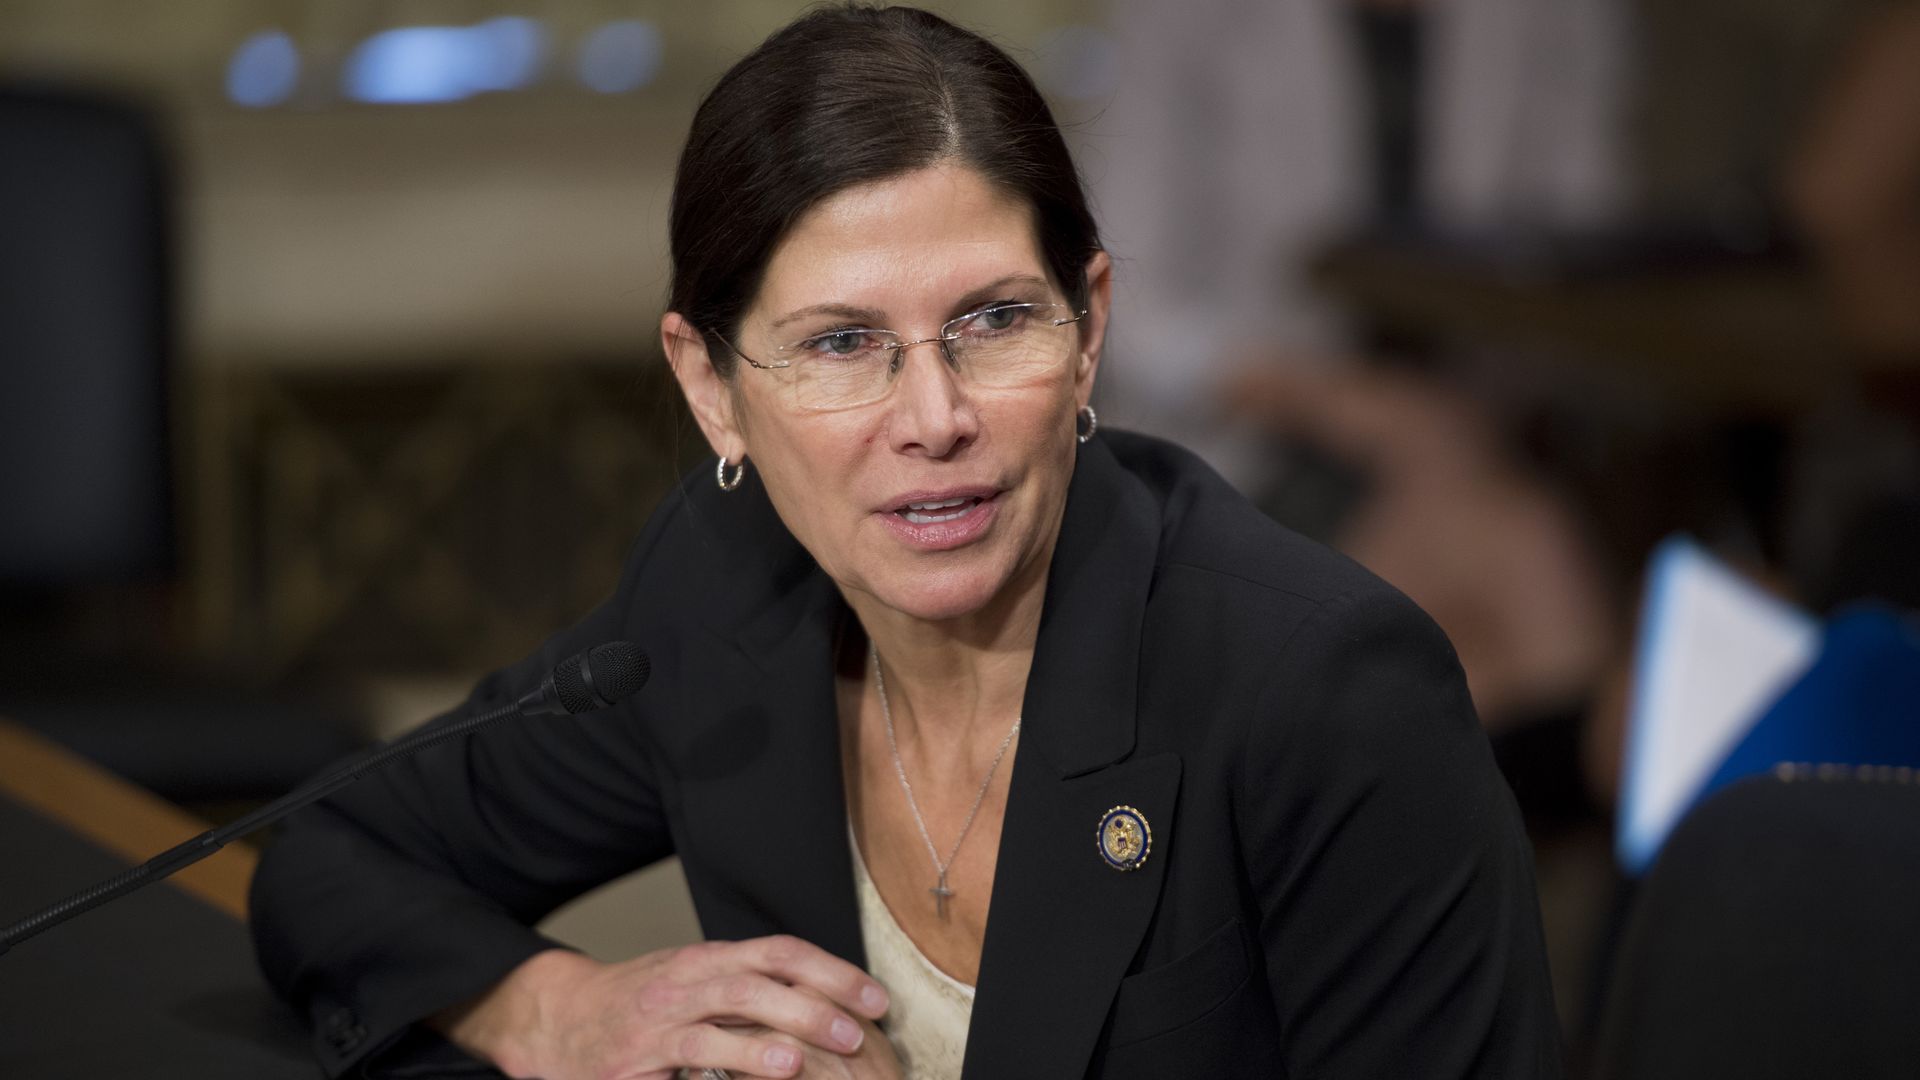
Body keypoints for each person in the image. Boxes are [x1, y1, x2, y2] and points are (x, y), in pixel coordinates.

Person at [249, 6, 1562, 1078]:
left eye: (995, 320)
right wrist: (559, 1013)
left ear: (1088, 324)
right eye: (839, 344)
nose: (935, 420)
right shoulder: (722, 593)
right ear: (712, 388)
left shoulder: (1324, 691)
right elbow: (329, 855)